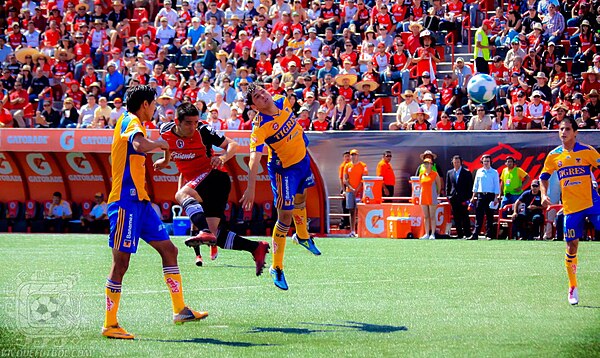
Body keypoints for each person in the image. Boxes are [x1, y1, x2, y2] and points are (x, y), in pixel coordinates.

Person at [102, 85, 208, 340]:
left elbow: (135, 151)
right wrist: (160, 144)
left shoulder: (135, 124)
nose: (155, 109)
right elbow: (139, 145)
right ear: (144, 105)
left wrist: (163, 154)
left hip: (140, 202)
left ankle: (180, 310)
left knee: (169, 250)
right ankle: (110, 324)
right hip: (125, 203)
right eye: (153, 104)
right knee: (121, 263)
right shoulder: (131, 121)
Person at [156, 102, 269, 273]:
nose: (194, 126)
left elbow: (233, 145)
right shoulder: (165, 130)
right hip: (203, 182)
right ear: (177, 121)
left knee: (181, 194)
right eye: (189, 123)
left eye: (196, 122)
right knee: (216, 236)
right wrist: (165, 161)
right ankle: (256, 247)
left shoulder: (203, 130)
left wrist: (223, 158)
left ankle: (203, 230)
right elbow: (167, 145)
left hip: (214, 176)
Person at [241, 83, 321, 291]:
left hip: (302, 160)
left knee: (301, 198)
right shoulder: (260, 126)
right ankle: (276, 267)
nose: (263, 96)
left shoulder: (282, 100)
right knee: (285, 216)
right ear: (254, 106)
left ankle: (302, 236)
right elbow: (253, 158)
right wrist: (250, 187)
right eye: (257, 97)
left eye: (262, 92)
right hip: (284, 170)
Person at [540, 117, 600, 305]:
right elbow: (544, 177)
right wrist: (543, 194)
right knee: (571, 246)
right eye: (561, 129)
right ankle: (572, 286)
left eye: (567, 129)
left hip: (593, 204)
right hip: (571, 209)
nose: (563, 132)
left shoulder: (587, 152)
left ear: (575, 132)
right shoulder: (554, 156)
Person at [469, 154, 500, 240]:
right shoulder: (479, 171)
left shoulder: (494, 172)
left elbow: (496, 185)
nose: (486, 163)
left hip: (490, 195)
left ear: (490, 162)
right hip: (481, 195)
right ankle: (475, 234)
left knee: (490, 215)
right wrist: (473, 197)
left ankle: (489, 234)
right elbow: (476, 184)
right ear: (482, 162)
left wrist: (496, 197)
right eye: (484, 161)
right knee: (479, 215)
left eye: (487, 161)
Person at [445, 155, 474, 239]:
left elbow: (470, 186)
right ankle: (459, 234)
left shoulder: (467, 172)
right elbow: (448, 186)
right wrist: (449, 196)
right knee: (456, 217)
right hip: (454, 198)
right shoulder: (449, 172)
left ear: (461, 162)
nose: (456, 164)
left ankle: (467, 234)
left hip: (464, 198)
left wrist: (468, 197)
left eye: (458, 162)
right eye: (454, 162)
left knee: (465, 216)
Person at [344, 149, 368, 238]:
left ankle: (361, 230)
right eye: (352, 155)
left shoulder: (363, 165)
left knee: (361, 211)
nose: (353, 156)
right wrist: (352, 188)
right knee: (351, 210)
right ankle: (352, 230)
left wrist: (357, 189)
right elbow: (345, 179)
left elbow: (364, 178)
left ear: (358, 156)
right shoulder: (347, 166)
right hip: (350, 191)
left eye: (355, 155)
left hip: (360, 191)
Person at [419, 158, 442, 240]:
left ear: (431, 165)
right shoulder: (421, 175)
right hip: (423, 197)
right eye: (424, 163)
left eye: (428, 163)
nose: (426, 165)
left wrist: (438, 194)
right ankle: (426, 233)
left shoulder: (435, 174)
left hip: (432, 197)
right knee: (426, 216)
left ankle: (432, 234)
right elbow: (420, 186)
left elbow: (439, 185)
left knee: (432, 216)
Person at [338, 151, 351, 229]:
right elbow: (341, 179)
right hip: (345, 187)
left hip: (351, 187)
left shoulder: (351, 165)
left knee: (350, 206)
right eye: (346, 156)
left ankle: (349, 222)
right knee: (345, 206)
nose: (347, 158)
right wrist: (343, 191)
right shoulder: (342, 166)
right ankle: (345, 222)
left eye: (348, 156)